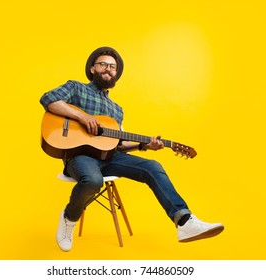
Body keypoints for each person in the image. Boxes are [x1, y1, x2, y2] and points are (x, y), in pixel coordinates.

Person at [40, 46, 224, 252]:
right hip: (80, 156)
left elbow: (117, 144)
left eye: (113, 67)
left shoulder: (117, 110)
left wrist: (143, 145)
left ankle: (184, 222)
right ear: (92, 68)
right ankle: (69, 217)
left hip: (110, 157)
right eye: (103, 64)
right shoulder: (76, 88)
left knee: (153, 166)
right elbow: (49, 99)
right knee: (93, 180)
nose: (108, 69)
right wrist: (83, 117)